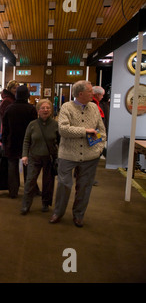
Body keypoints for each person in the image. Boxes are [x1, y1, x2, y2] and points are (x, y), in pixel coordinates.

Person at [49, 80, 106, 227]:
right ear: (80, 94)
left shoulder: (94, 108)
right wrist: (85, 131)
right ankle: (58, 213)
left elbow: (101, 131)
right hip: (67, 155)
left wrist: (99, 148)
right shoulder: (66, 107)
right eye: (89, 91)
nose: (92, 93)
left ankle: (79, 215)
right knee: (64, 185)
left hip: (90, 156)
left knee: (84, 187)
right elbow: (63, 130)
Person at [21, 99, 60, 214]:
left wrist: (59, 157)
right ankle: (26, 205)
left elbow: (60, 142)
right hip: (34, 157)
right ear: (38, 110)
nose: (45, 110)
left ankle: (45, 203)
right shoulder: (32, 125)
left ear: (51, 110)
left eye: (48, 108)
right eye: (42, 108)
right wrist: (24, 155)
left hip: (50, 158)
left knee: (48, 182)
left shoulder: (55, 125)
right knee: (30, 181)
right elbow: (26, 141)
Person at [1, 85, 38, 198]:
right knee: (28, 168)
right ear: (27, 95)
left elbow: (5, 127)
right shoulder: (31, 109)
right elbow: (34, 129)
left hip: (11, 141)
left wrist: (3, 141)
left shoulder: (10, 108)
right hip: (27, 143)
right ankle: (29, 191)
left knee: (12, 168)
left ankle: (13, 192)